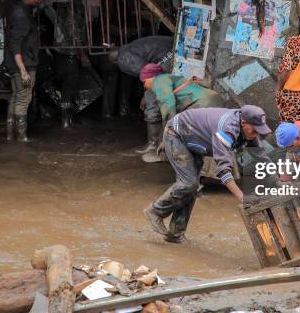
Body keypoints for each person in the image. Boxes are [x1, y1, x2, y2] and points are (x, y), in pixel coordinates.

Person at [143, 105, 272, 243]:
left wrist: (277, 180)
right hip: (177, 135)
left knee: (193, 187)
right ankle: (155, 211)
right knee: (188, 183)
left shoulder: (248, 129)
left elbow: (261, 157)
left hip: (196, 141)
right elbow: (223, 171)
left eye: (260, 130)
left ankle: (175, 233)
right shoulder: (227, 130)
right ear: (244, 123)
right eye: (255, 130)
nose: (256, 134)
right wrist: (242, 197)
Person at [139, 63, 225, 163]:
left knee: (180, 133)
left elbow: (168, 106)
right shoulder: (172, 78)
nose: (145, 85)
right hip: (214, 100)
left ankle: (170, 159)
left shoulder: (158, 80)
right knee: (210, 138)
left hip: (201, 105)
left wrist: (166, 135)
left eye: (144, 81)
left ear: (151, 77)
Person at [108, 36, 174, 154]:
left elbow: (148, 73)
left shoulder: (123, 58)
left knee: (151, 100)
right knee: (158, 95)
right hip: (172, 51)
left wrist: (145, 95)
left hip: (166, 58)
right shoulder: (129, 49)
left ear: (115, 62)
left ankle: (153, 144)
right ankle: (159, 140)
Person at [42, 0, 87, 128]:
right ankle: (66, 123)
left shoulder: (61, 8)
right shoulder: (73, 8)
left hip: (59, 52)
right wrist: (83, 53)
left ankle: (66, 120)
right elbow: (74, 34)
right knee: (69, 86)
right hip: (70, 53)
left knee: (65, 85)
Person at [4, 0, 43, 142]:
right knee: (23, 98)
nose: (40, 1)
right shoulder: (21, 15)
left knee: (16, 96)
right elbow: (15, 43)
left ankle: (10, 136)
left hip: (17, 63)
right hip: (23, 64)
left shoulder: (19, 10)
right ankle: (21, 137)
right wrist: (23, 70)